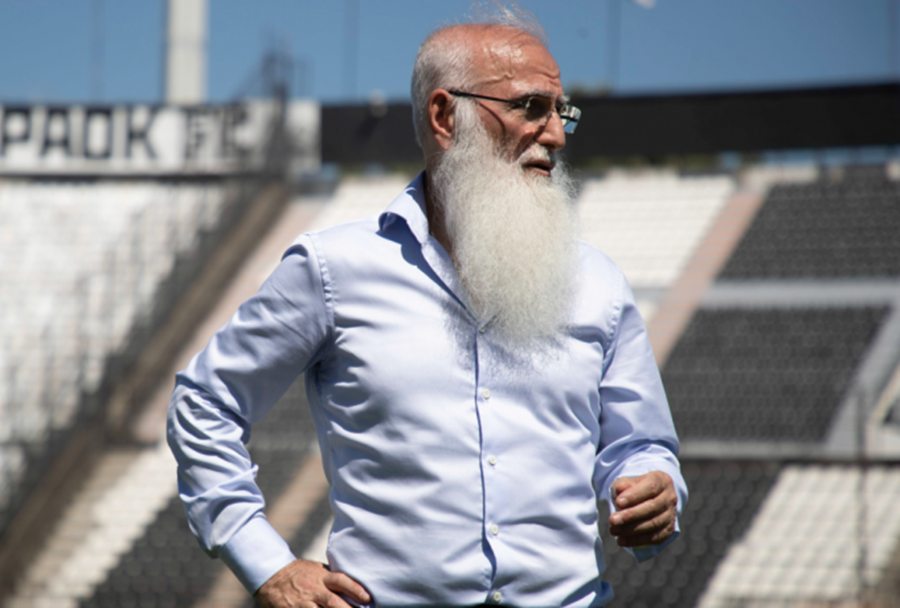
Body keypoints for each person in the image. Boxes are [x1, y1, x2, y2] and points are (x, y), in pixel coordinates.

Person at [168, 6, 687, 608]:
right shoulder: (333, 269)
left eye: (560, 111)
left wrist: (655, 487)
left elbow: (641, 446)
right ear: (444, 116)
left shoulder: (598, 283)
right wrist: (268, 566)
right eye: (530, 107)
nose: (556, 134)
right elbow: (204, 403)